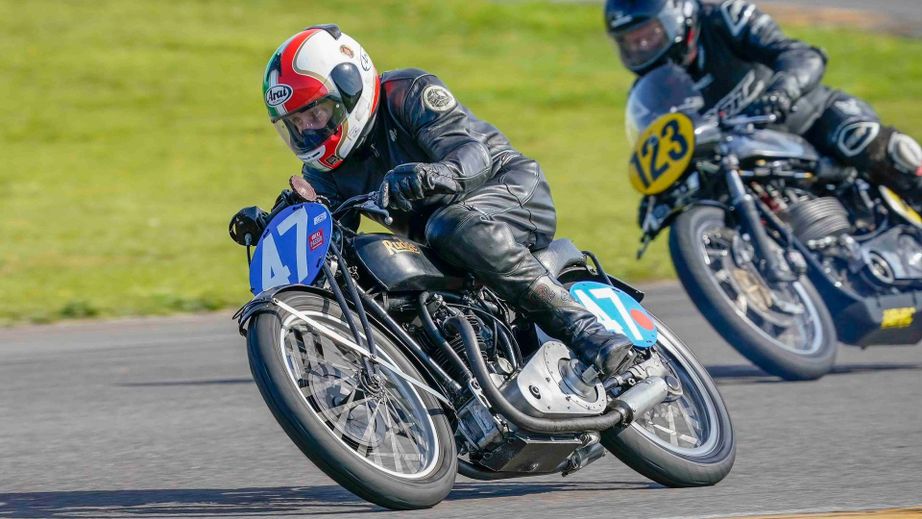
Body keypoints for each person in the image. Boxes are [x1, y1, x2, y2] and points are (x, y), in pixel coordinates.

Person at [261, 24, 633, 378]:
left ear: (349, 89)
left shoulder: (407, 92)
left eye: (316, 113)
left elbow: (473, 154)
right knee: (365, 274)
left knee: (451, 225)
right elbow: (327, 236)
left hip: (509, 190)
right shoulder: (323, 173)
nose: (308, 129)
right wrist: (276, 226)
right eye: (297, 123)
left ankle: (586, 331)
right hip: (438, 241)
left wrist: (432, 174)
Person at [604, 0, 922, 199]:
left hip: (808, 117)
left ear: (675, 16)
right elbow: (665, 150)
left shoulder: (726, 18)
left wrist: (781, 92)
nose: (641, 46)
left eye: (649, 34)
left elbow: (802, 55)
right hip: (749, 160)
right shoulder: (651, 91)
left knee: (866, 141)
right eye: (630, 41)